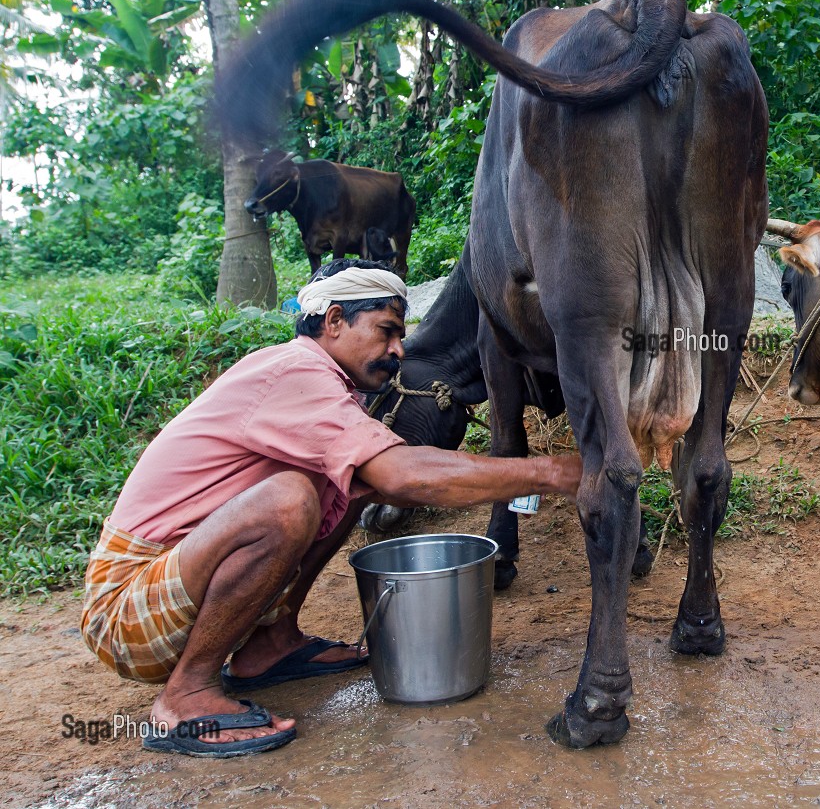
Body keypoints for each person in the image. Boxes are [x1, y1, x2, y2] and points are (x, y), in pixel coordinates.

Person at [79, 260, 580, 757]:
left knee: (348, 484)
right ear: (334, 320)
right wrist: (556, 472)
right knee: (290, 501)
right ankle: (185, 698)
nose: (398, 350)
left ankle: (269, 646)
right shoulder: (294, 371)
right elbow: (402, 476)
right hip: (126, 611)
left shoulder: (326, 387)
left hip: (176, 585)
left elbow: (381, 482)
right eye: (386, 331)